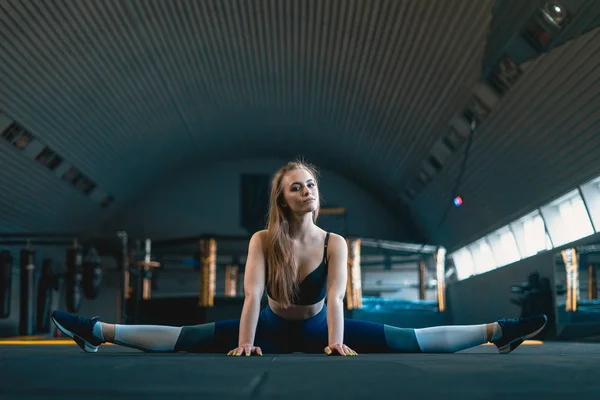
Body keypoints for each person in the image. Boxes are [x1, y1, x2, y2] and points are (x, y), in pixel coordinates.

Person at [51, 160, 547, 356]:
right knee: (187, 338)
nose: (307, 191)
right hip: (266, 327)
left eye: (311, 184)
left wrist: (335, 342)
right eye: (296, 187)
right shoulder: (262, 240)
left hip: (317, 328)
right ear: (282, 199)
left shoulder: (334, 242)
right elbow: (249, 296)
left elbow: (335, 299)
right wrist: (246, 343)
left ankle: (498, 332)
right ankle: (96, 332)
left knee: (412, 339)